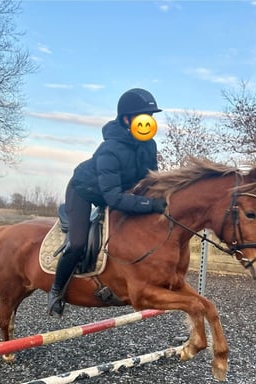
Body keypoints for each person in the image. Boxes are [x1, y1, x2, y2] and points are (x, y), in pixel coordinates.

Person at [47, 88, 168, 317]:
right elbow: (113, 198)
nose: (149, 122)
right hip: (84, 191)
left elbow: (151, 179)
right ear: (127, 119)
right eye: (145, 117)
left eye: (151, 117)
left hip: (114, 192)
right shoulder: (109, 150)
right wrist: (150, 205)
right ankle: (56, 291)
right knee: (78, 243)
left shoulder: (149, 145)